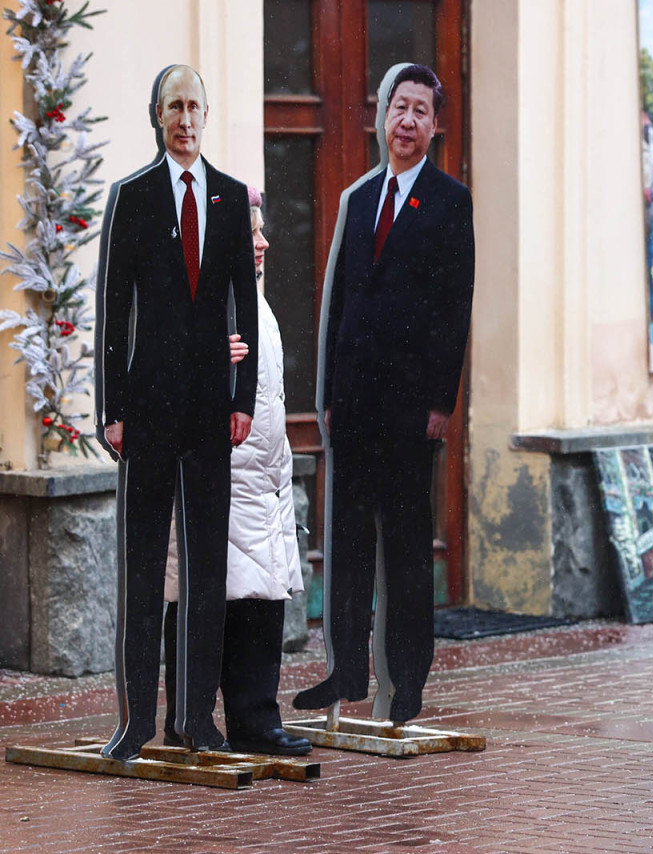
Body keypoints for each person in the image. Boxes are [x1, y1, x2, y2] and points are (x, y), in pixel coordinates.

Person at [293, 63, 475, 725]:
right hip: (356, 406)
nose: (407, 122)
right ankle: (344, 672)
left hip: (409, 409)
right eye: (400, 108)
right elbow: (343, 302)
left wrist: (440, 403)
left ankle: (406, 681)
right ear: (383, 116)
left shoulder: (451, 202)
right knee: (347, 547)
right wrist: (332, 396)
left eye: (421, 111)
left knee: (403, 547)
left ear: (434, 125)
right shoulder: (360, 199)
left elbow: (455, 309)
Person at [94, 64, 258, 760]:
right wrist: (111, 411)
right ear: (157, 116)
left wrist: (242, 399)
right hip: (147, 414)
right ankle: (135, 722)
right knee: (141, 570)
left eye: (195, 106)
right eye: (174, 107)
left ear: (206, 114)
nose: (185, 118)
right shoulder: (131, 197)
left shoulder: (228, 197)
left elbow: (241, 305)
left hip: (210, 416)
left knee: (206, 573)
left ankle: (197, 718)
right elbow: (112, 311)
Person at [160, 188, 311, 756]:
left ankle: (255, 719)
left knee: (257, 605)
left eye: (262, 230)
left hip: (261, 486)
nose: (264, 241)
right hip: (215, 482)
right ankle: (188, 719)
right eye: (252, 232)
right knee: (202, 603)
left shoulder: (255, 303)